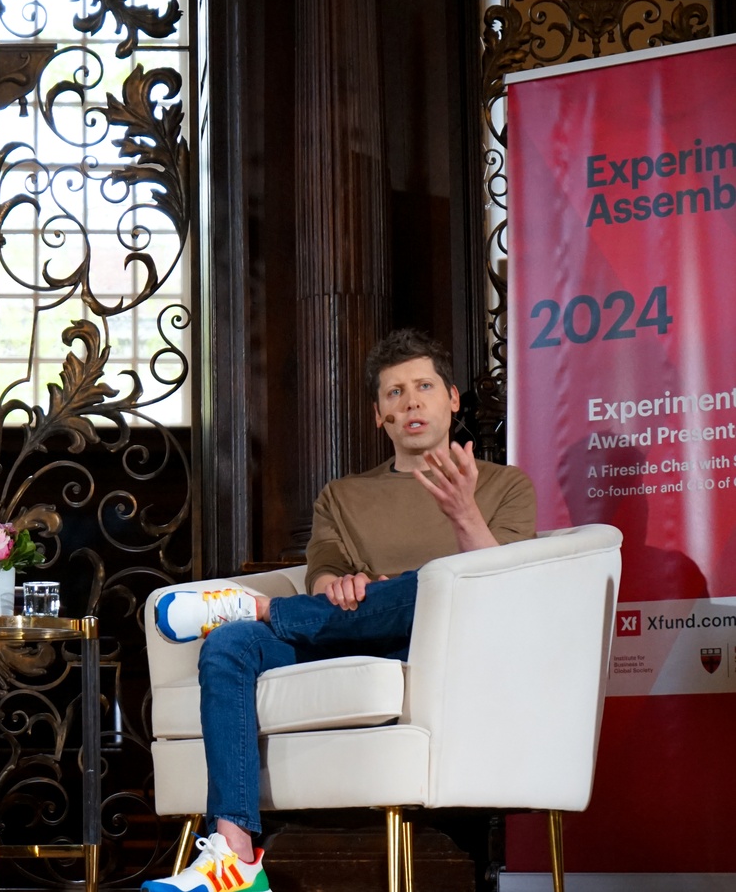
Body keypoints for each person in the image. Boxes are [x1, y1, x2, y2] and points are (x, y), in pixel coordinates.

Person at [143, 329, 537, 892]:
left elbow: (501, 587)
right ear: (379, 415)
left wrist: (463, 512)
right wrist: (341, 586)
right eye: (395, 393)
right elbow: (322, 572)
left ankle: (261, 609)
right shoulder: (343, 495)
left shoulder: (503, 486)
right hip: (346, 632)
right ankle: (234, 856)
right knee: (227, 645)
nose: (411, 402)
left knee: (435, 583)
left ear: (452, 398)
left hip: (442, 642)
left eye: (424, 386)